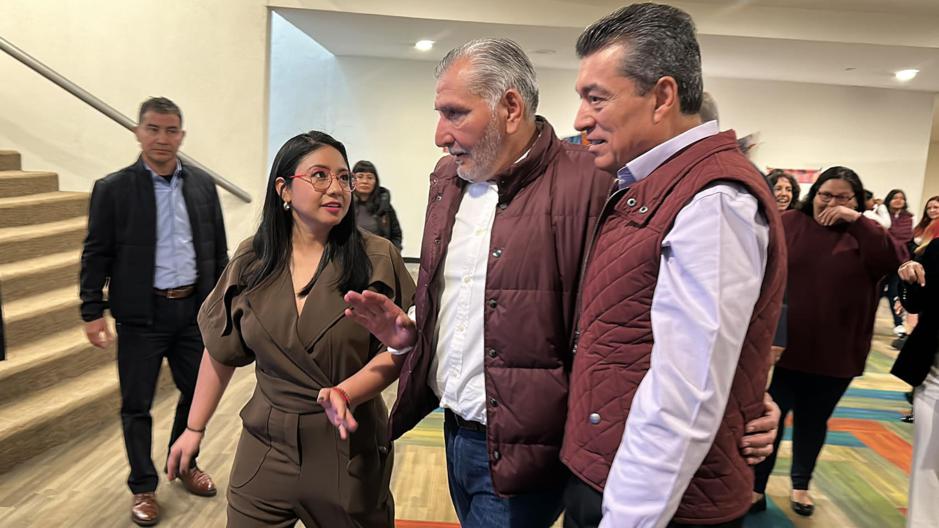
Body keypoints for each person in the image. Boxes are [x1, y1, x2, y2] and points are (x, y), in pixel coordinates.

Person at [327, 37, 781, 528]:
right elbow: (463, 290)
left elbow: (663, 313)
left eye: (455, 113)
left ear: (510, 108)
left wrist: (741, 395)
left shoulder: (598, 182)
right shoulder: (448, 178)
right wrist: (414, 328)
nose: (440, 134)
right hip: (453, 425)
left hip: (534, 448)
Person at [558, 5, 787, 528]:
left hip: (653, 503)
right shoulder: (655, 184)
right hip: (612, 471)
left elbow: (685, 393)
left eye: (596, 98)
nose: (581, 119)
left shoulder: (714, 201)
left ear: (662, 97)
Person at [165, 131, 415, 527]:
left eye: (344, 177)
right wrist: (194, 428)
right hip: (266, 443)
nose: (336, 188)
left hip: (347, 446)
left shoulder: (377, 257)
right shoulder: (252, 259)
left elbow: (399, 352)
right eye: (320, 175)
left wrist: (348, 390)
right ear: (283, 189)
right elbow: (221, 349)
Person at [79, 97, 227, 526]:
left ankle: (184, 463)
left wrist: (221, 305)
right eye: (153, 129)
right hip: (141, 316)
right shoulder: (113, 189)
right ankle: (143, 486)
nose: (162, 138)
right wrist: (92, 309)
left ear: (181, 135)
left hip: (192, 314)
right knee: (137, 404)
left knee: (197, 394)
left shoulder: (202, 186)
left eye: (171, 130)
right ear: (138, 132)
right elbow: (96, 253)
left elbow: (217, 251)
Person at [753, 167, 904, 517]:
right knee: (769, 418)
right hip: (782, 347)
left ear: (857, 200)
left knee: (814, 420)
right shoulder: (789, 222)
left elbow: (893, 261)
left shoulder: (866, 233)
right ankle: (755, 486)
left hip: (837, 350)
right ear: (814, 194)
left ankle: (801, 484)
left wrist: (857, 220)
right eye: (825, 195)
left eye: (842, 197)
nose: (832, 203)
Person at [890, 235, 939, 528]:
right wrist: (908, 277)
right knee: (927, 464)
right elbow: (914, 304)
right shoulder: (937, 249)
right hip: (934, 375)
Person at [882, 188, 915, 335]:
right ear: (889, 200)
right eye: (895, 198)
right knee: (876, 292)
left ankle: (898, 324)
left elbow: (910, 239)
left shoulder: (910, 218)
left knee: (894, 292)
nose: (898, 200)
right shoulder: (883, 216)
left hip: (901, 260)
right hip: (882, 260)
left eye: (901, 198)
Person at [352, 160, 403, 249]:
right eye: (360, 177)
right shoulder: (345, 205)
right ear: (352, 180)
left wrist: (391, 253)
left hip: (379, 255)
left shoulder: (384, 206)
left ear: (376, 181)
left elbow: (396, 235)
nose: (365, 181)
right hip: (350, 255)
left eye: (370, 177)